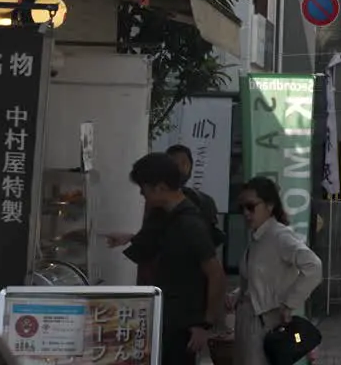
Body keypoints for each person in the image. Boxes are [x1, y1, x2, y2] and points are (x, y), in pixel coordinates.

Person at [116, 153, 226, 365]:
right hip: (167, 318)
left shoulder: (190, 224)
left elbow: (216, 275)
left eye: (144, 188)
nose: (142, 194)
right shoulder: (168, 216)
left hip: (184, 326)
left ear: (160, 188)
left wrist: (205, 324)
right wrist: (131, 238)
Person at [233, 177, 323, 365]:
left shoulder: (279, 235)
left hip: (264, 321)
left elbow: (313, 266)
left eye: (251, 207)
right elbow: (258, 277)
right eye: (242, 208)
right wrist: (236, 295)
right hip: (248, 318)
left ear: (269, 206)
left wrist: (290, 303)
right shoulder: (259, 236)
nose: (246, 213)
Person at [165, 144, 225, 246]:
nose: (179, 167)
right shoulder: (156, 199)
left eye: (184, 163)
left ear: (191, 168)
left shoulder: (205, 201)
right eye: (174, 163)